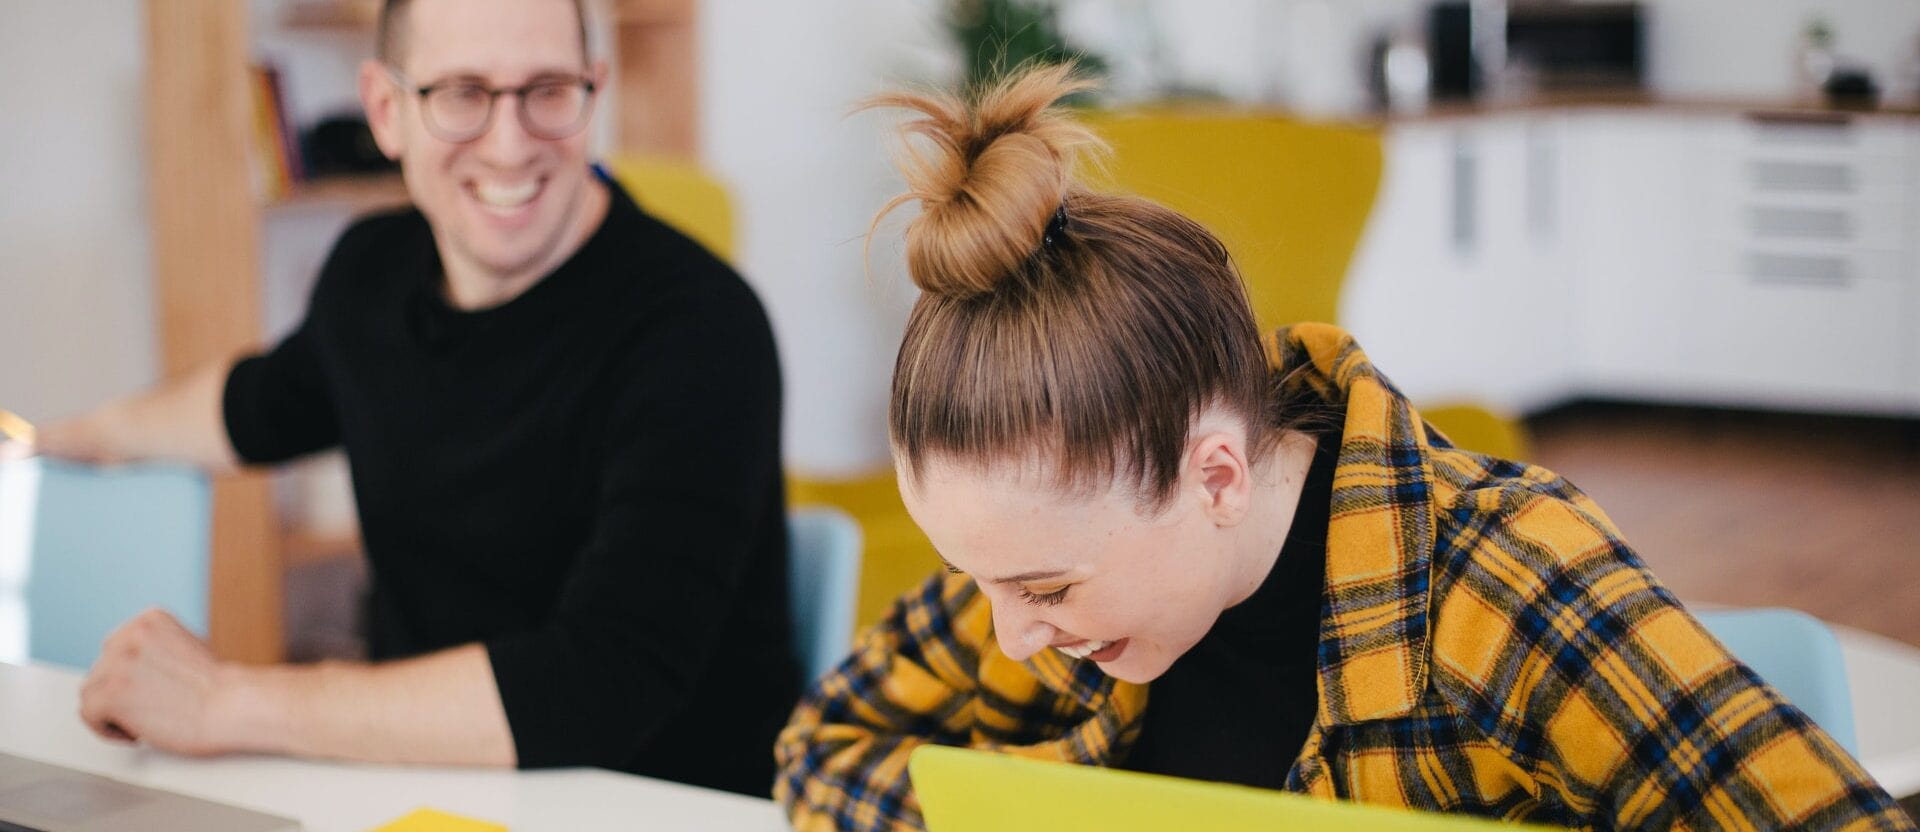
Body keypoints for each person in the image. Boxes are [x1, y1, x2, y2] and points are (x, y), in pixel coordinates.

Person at [773, 64, 1915, 829]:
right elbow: (820, 751)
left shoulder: (1501, 582)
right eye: (986, 583)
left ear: (1214, 472)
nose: (1013, 638)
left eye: (1044, 588)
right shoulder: (1047, 554)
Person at [13, 0, 796, 796]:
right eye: (461, 93)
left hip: (660, 803)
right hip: (420, 790)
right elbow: (254, 405)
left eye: (548, 90)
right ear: (387, 112)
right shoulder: (371, 274)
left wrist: (224, 701)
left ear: (595, 91)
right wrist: (63, 436)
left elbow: (600, 680)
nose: (510, 141)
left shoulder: (701, 327)